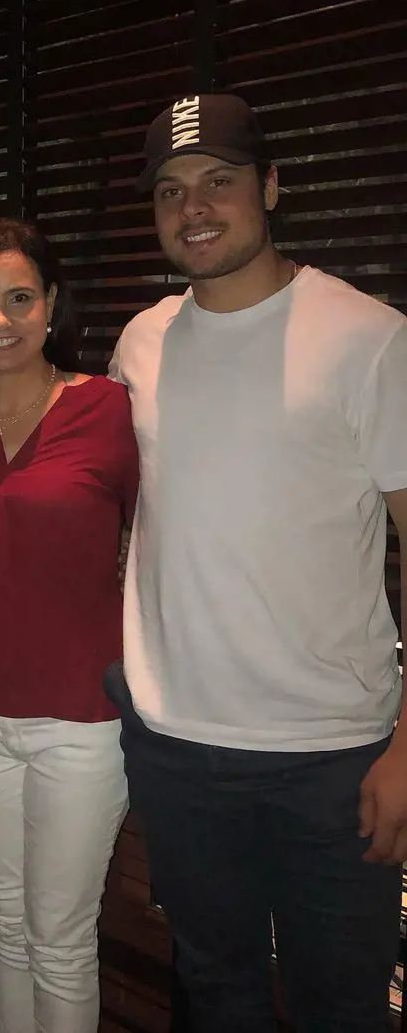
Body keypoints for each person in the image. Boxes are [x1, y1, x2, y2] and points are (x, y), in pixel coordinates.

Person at [109, 93, 407, 1032]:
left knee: (342, 1006)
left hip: (329, 758)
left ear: (271, 187)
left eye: (220, 182)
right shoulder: (141, 342)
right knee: (215, 989)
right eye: (170, 190)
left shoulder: (370, 339)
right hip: (177, 747)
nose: (193, 208)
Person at [0, 218, 136, 1033]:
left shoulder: (108, 410)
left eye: (17, 299)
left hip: (80, 720)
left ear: (51, 306)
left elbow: (163, 547)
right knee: (5, 924)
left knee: (63, 939)